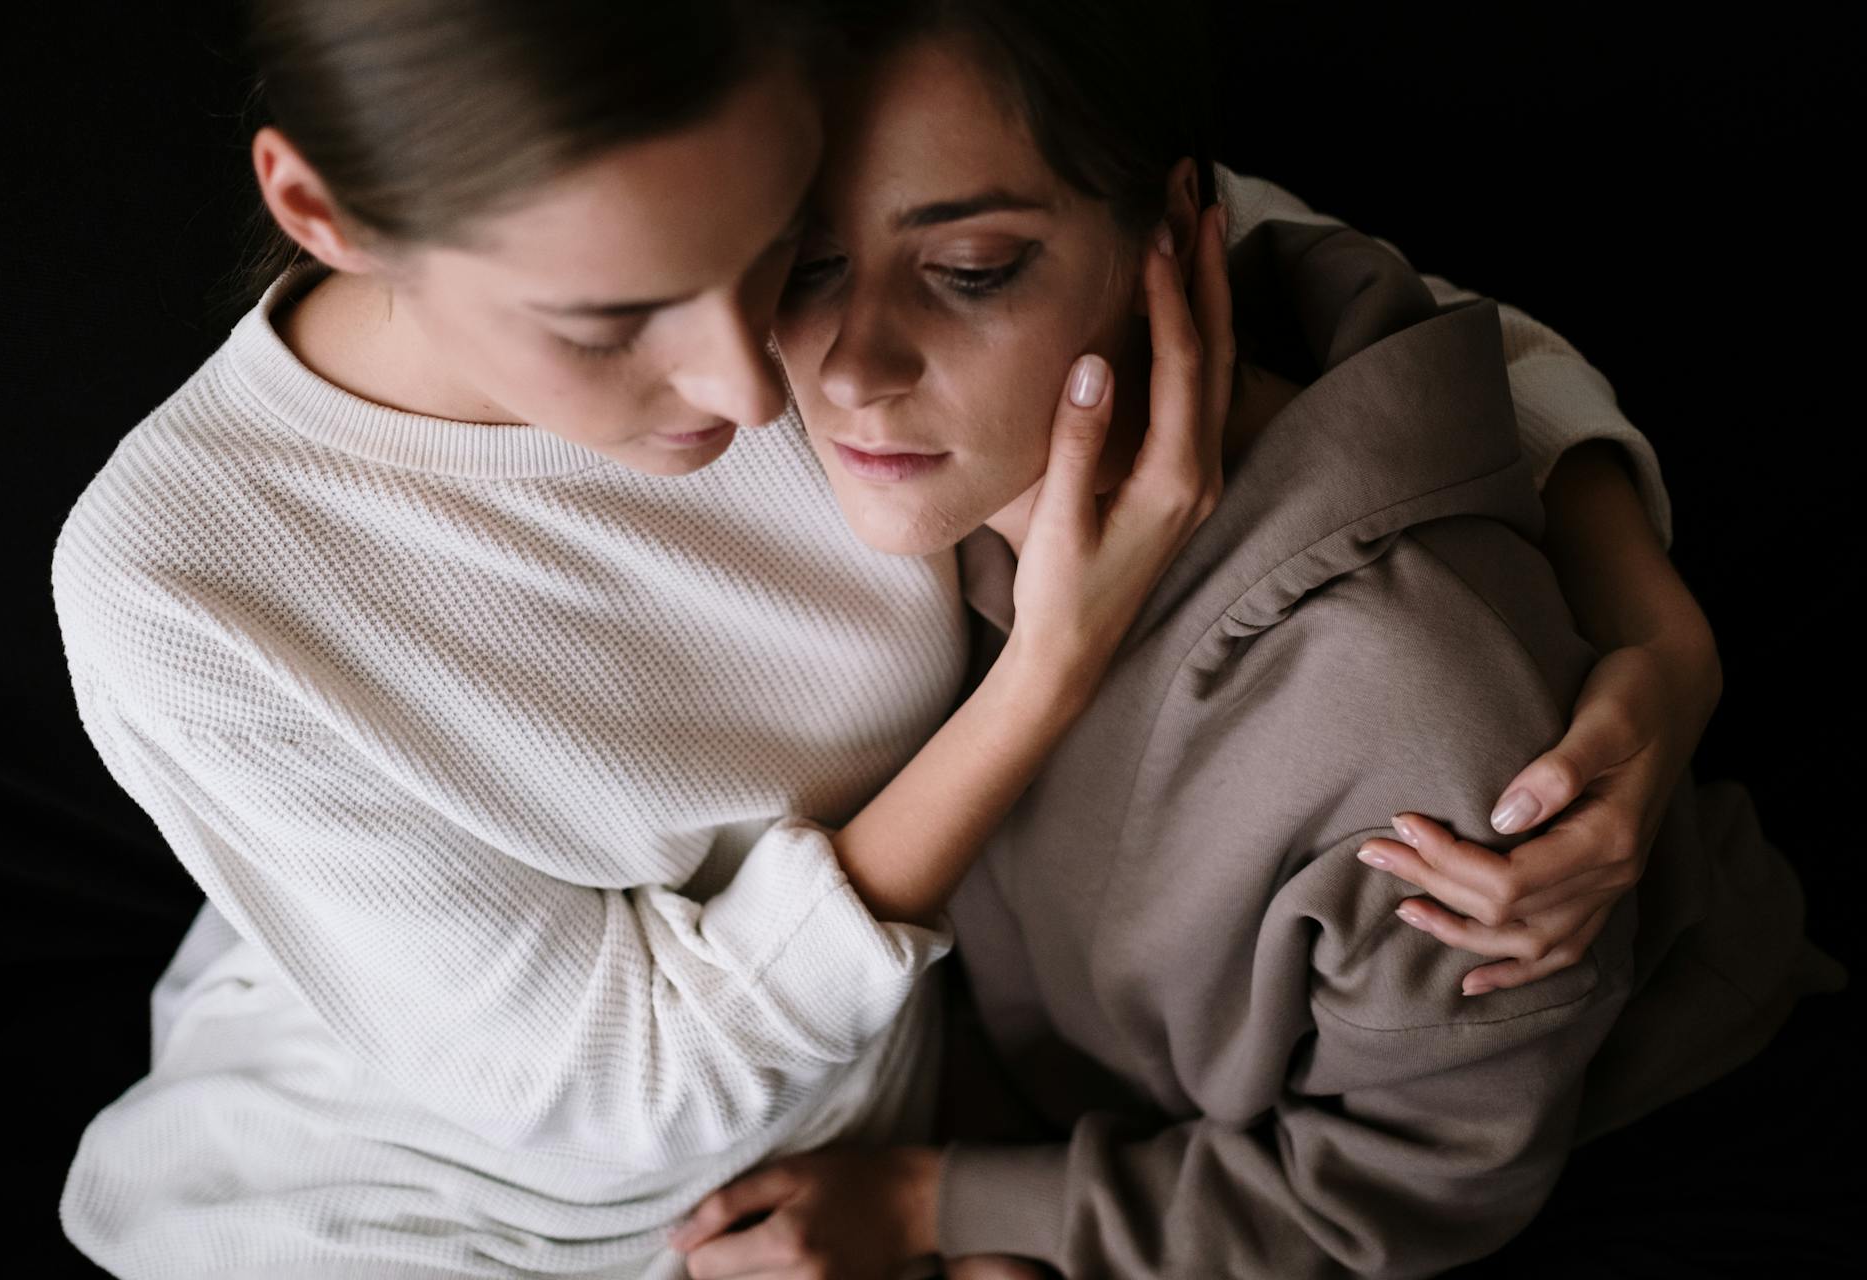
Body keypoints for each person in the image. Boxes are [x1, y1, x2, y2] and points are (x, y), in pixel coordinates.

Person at [57, 1, 1728, 1276]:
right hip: (476, 1157)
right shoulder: (185, 587)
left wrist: (1648, 629)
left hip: (900, 1102)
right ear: (322, 209)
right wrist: (1045, 669)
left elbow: (1255, 262)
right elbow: (612, 1084)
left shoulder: (810, 139)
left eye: (760, 247)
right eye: (611, 319)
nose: (755, 385)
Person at [667, 4, 1846, 1276]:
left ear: (1177, 231)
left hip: (1614, 1157)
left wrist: (941, 1206)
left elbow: (1405, 1187)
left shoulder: (1410, 719)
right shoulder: (904, 452)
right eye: (805, 261)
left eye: (970, 272)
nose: (852, 369)